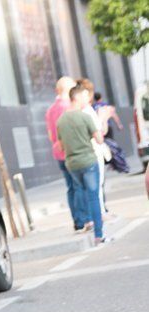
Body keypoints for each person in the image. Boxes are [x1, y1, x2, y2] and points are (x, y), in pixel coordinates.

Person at [56, 84, 107, 244]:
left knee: (80, 191)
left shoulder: (61, 120)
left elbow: (61, 146)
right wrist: (103, 119)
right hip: (88, 161)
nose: (88, 99)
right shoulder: (85, 117)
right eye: (85, 96)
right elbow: (99, 139)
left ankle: (86, 221)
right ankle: (99, 235)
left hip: (72, 163)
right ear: (76, 97)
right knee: (93, 196)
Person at [45, 76, 88, 231]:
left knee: (70, 187)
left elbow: (51, 136)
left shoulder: (50, 110)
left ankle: (77, 220)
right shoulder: (68, 107)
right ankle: (83, 219)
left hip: (59, 154)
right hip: (72, 153)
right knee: (79, 186)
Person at [77, 78, 112, 214]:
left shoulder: (78, 111)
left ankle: (96, 215)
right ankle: (100, 214)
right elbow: (100, 134)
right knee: (96, 185)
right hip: (93, 152)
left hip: (84, 153)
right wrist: (103, 118)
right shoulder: (87, 111)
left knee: (89, 187)